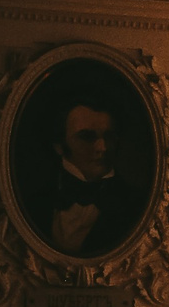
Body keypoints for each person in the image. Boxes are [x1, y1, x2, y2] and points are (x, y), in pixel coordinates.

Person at [37, 100, 143, 256]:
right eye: (86, 137)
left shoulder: (136, 203)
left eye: (109, 136)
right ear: (59, 145)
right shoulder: (33, 198)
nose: (102, 147)